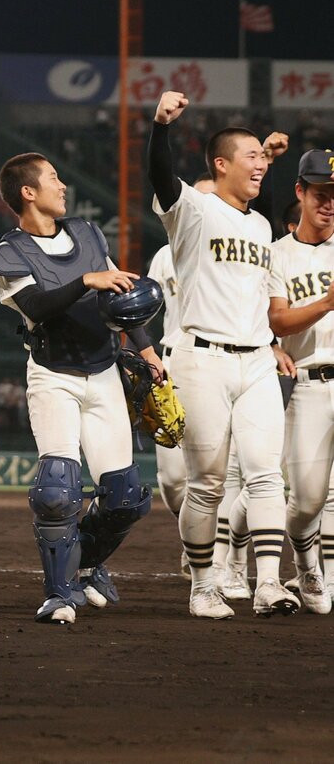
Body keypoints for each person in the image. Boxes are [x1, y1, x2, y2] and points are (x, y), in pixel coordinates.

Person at [0, 154, 160, 623]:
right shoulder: (8, 253)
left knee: (125, 497)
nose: (62, 185)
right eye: (53, 178)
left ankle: (86, 563)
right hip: (53, 376)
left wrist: (145, 349)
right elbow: (38, 306)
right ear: (28, 192)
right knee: (57, 491)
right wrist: (85, 279)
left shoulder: (87, 233)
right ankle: (61, 592)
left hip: (104, 371)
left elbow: (120, 297)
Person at [147, 90, 298, 618]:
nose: (262, 164)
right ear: (221, 164)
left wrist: (275, 344)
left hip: (256, 359)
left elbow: (253, 295)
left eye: (264, 157)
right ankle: (203, 585)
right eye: (252, 156)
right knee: (206, 483)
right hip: (201, 356)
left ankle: (268, 584)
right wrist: (160, 126)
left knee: (264, 475)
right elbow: (162, 177)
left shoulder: (260, 226)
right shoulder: (191, 209)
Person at [261, 149, 334, 614]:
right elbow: (278, 321)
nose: (329, 203)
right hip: (308, 383)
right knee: (306, 500)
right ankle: (306, 564)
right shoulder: (276, 254)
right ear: (300, 193)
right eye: (321, 194)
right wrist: (327, 302)